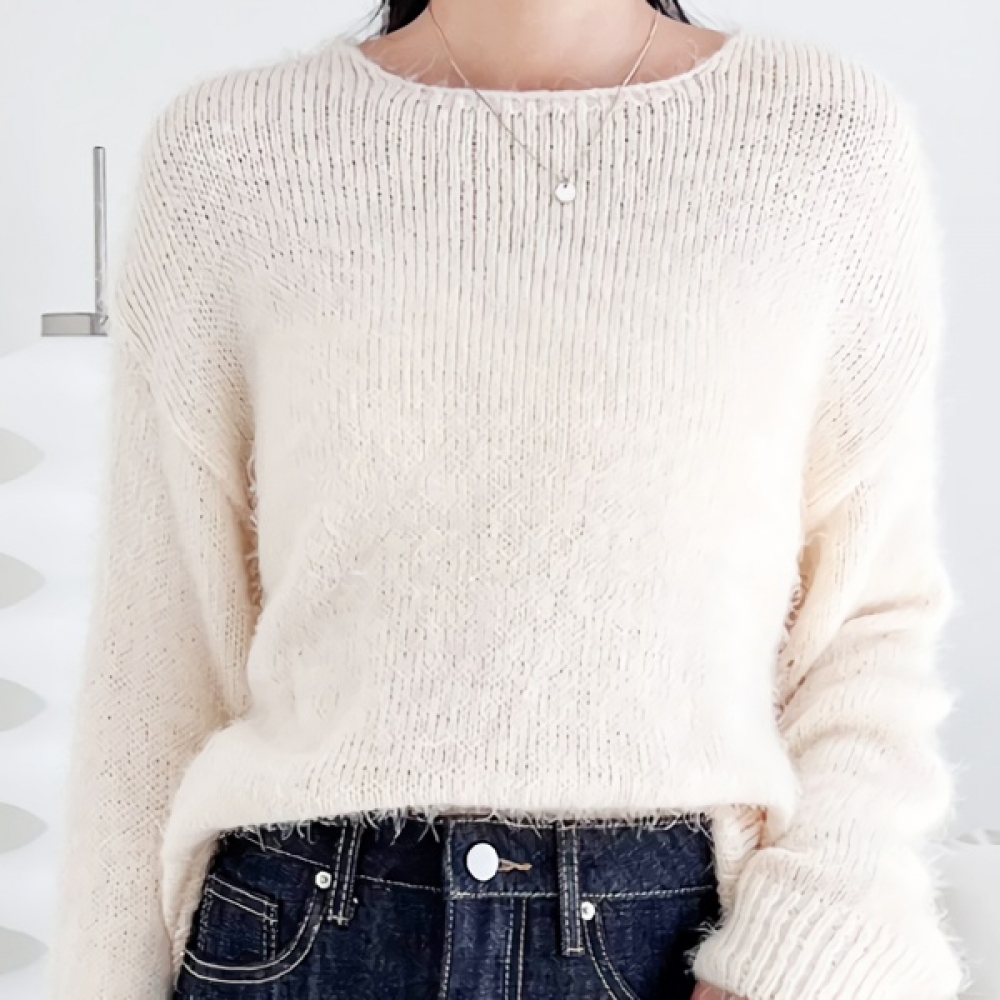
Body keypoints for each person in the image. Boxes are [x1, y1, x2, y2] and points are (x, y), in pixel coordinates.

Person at [46, 0, 967, 998]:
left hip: (673, 946)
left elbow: (868, 621)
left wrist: (802, 955)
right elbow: (158, 655)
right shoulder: (229, 155)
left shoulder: (825, 142)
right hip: (298, 936)